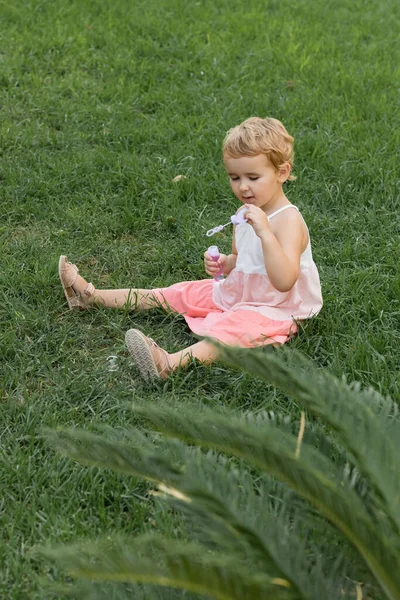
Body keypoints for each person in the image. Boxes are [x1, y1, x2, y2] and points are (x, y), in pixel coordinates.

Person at [59, 116, 323, 380]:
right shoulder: (244, 213)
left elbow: (285, 280)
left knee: (233, 331)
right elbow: (241, 261)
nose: (243, 186)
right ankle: (90, 296)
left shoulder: (288, 220)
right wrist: (225, 264)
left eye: (253, 177)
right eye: (234, 177)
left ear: (282, 173)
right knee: (177, 294)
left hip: (275, 309)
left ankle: (168, 363)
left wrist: (265, 233)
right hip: (241, 293)